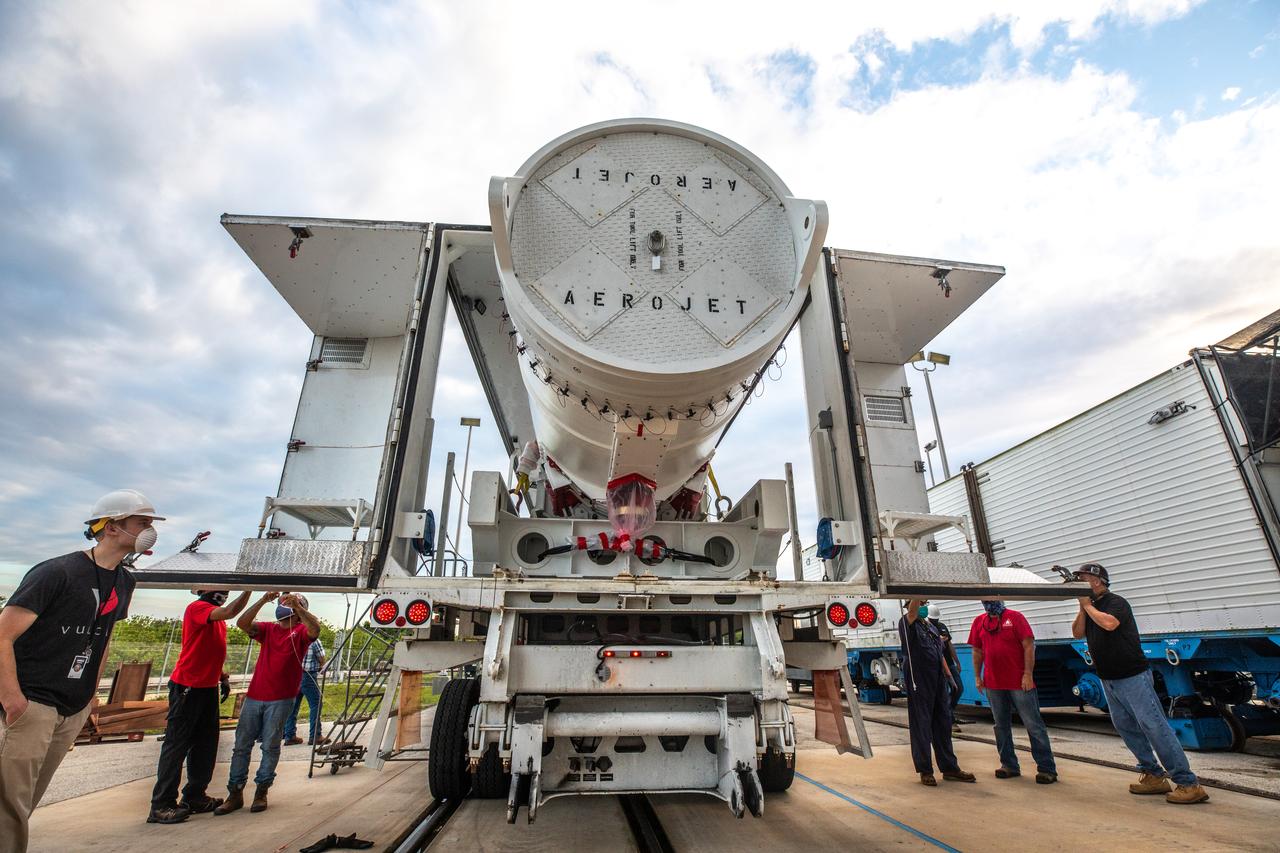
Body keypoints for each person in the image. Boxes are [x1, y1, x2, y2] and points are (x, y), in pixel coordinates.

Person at [0, 489, 162, 851]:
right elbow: (2, 636)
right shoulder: (57, 572)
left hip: (71, 708)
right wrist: (14, 703)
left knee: (23, 804)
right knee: (7, 806)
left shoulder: (124, 581)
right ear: (112, 527)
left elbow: (102, 639)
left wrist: (89, 699)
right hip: (32, 703)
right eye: (142, 523)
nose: (150, 530)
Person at [1072, 562, 1209, 804]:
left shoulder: (1116, 602)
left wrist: (1087, 605)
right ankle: (1153, 775)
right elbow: (1077, 633)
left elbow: (1110, 624)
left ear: (1098, 580)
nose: (1079, 582)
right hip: (1109, 678)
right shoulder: (1090, 607)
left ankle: (1187, 782)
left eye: (1082, 578)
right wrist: (1083, 608)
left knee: (1153, 725)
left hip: (1132, 676)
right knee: (1126, 727)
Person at [148, 588, 251, 823]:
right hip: (188, 686)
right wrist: (250, 587)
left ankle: (195, 795)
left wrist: (222, 676)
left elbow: (208, 648)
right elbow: (230, 611)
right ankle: (161, 805)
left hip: (206, 687)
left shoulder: (215, 618)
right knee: (177, 744)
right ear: (203, 590)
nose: (223, 591)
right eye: (218, 586)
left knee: (206, 743)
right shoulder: (198, 609)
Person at [215, 592, 320, 815]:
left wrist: (298, 609)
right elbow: (243, 623)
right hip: (255, 697)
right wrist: (263, 600)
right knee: (241, 746)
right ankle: (235, 792)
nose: (284, 605)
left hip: (281, 698)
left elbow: (315, 629)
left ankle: (261, 790)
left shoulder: (300, 632)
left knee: (270, 746)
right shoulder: (268, 630)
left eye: (289, 603)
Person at [968, 600, 1058, 784]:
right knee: (1000, 726)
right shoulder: (979, 622)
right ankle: (1008, 765)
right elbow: (977, 651)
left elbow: (1028, 646)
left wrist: (1028, 674)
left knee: (1033, 724)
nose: (988, 603)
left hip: (1019, 682)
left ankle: (1046, 768)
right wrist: (978, 676)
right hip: (994, 683)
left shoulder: (1015, 618)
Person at [898, 599, 975, 787]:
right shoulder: (907, 623)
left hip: (937, 677)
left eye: (925, 601)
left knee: (943, 722)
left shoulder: (930, 627)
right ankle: (925, 770)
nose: (924, 604)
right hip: (919, 677)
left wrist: (949, 675)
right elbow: (913, 612)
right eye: (920, 602)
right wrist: (916, 592)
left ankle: (949, 768)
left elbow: (938, 652)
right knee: (922, 724)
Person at [284, 636, 328, 747]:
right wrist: (322, 666)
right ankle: (315, 735)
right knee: (316, 705)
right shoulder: (313, 640)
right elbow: (321, 657)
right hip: (308, 675)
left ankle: (289, 735)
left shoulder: (292, 639)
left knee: (293, 706)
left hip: (293, 675)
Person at [926, 606, 964, 733]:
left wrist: (957, 661)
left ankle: (948, 711)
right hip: (937, 665)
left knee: (958, 688)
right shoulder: (925, 628)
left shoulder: (942, 626)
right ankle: (949, 719)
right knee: (943, 692)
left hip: (949, 663)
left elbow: (949, 645)